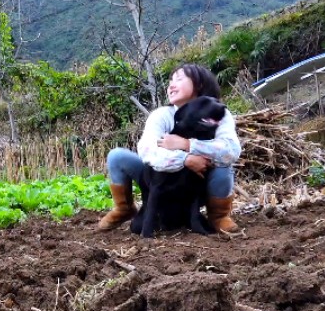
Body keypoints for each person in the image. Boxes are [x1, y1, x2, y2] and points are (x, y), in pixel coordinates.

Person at [98, 63, 242, 233]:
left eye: (179, 79)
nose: (171, 85)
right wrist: (185, 159)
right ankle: (124, 208)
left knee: (223, 165)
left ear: (199, 84)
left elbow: (231, 151)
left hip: (199, 184)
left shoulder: (218, 114)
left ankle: (218, 216)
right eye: (170, 81)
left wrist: (187, 145)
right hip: (159, 181)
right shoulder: (161, 115)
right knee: (117, 156)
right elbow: (147, 150)